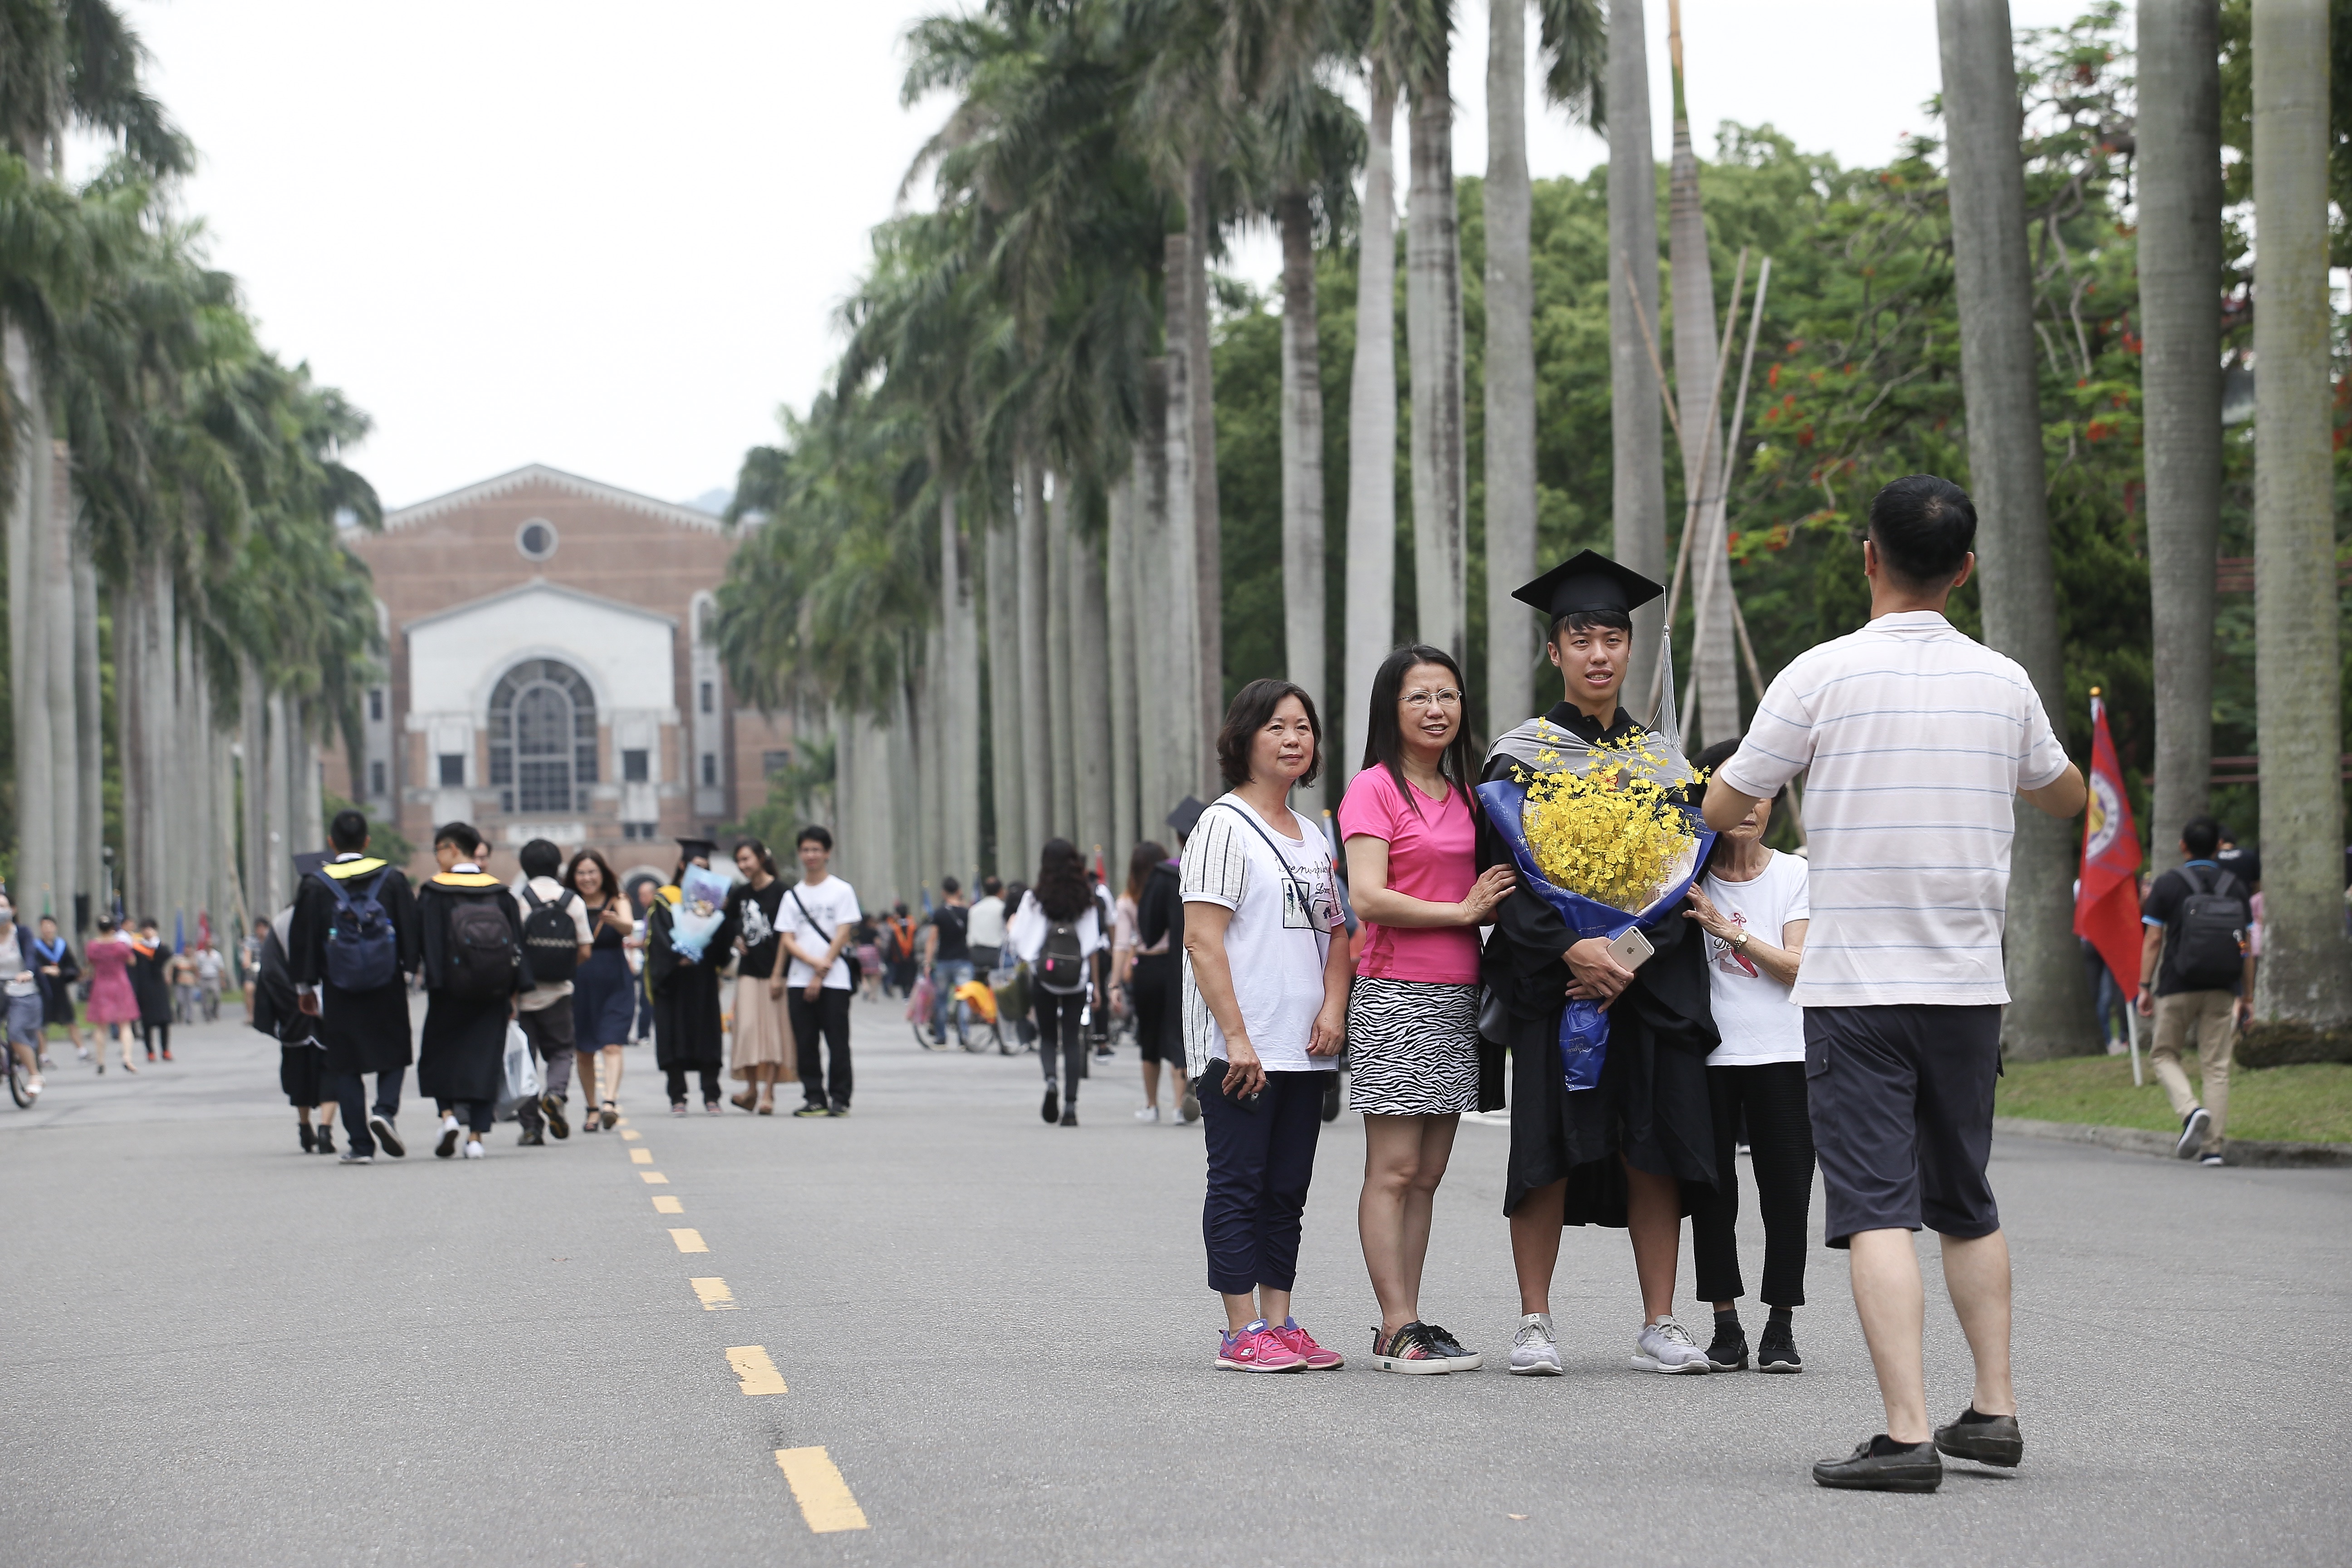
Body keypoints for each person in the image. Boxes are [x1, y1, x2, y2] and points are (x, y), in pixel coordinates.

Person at [1705, 474, 2086, 1493]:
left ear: (1868, 557)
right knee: (1967, 1200)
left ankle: (1908, 1433)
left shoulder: (1820, 675)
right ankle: (1995, 1412)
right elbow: (2067, 795)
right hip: (1966, 987)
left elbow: (1728, 799)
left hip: (1858, 988)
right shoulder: (2004, 682)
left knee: (1877, 1206)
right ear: (1966, 569)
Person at [1477, 550, 1721, 1379]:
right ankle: (1533, 1321)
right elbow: (1503, 881)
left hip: (1642, 985)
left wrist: (1621, 957)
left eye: (1612, 637)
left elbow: (1680, 883)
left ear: (1627, 648)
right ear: (1554, 652)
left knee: (1650, 1149)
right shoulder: (1518, 758)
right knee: (1542, 1151)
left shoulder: (1662, 764)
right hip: (1556, 985)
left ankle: (1658, 1321)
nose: (1597, 653)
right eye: (1579, 637)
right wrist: (1570, 949)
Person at [1340, 644, 1518, 1374]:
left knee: (1430, 1171)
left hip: (1457, 996)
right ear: (1392, 708)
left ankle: (1407, 1319)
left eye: (1447, 696)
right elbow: (1368, 897)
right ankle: (1395, 1320)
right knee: (1394, 1166)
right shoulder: (1374, 789)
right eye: (1419, 697)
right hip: (1394, 992)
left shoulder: (1471, 796)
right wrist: (1462, 910)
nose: (1437, 710)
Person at [1182, 678, 1353, 1373]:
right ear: (1245, 739)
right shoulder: (1222, 825)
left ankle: (1279, 1324)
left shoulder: (1314, 834)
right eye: (1277, 727)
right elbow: (1202, 939)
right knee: (1239, 1182)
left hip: (1303, 1047)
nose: (1293, 739)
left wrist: (1334, 1010)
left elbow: (1339, 933)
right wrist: (1237, 1040)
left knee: (1288, 1188)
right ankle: (1239, 1330)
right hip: (1241, 1048)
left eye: (1303, 728)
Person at [1683, 736, 1814, 1374]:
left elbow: (1800, 968)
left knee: (1786, 1192)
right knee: (1712, 1195)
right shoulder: (1684, 875)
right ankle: (1725, 1324)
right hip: (1707, 1059)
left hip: (1784, 1056)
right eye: (1734, 790)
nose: (1748, 805)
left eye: (1761, 791)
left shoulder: (1795, 874)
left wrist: (1726, 928)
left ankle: (1781, 1326)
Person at [290, 809, 421, 1161]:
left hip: (339, 986)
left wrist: (305, 987)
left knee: (345, 1065)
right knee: (394, 1053)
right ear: (367, 842)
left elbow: (303, 938)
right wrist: (411, 968)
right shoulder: (390, 879)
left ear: (331, 843)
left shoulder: (317, 884)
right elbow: (410, 928)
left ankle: (361, 1145)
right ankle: (385, 1111)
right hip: (387, 981)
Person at [2136, 816, 2254, 1167]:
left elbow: (2154, 939)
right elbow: (2246, 946)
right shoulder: (2236, 885)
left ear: (2182, 846)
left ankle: (2191, 1111)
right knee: (2216, 1066)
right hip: (2221, 986)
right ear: (2219, 845)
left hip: (2177, 985)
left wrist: (2144, 986)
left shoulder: (2168, 884)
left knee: (2163, 1055)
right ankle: (2213, 1149)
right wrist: (2246, 995)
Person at [416, 823, 530, 1157]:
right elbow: (517, 946)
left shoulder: (434, 892)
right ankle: (477, 1138)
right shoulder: (499, 892)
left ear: (452, 849)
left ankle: (449, 1117)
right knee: (486, 1061)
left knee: (441, 1056)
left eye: (438, 851)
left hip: (448, 991)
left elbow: (424, 943)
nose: (437, 859)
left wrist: (427, 977)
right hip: (493, 992)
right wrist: (514, 992)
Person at [1008, 840, 1108, 1127]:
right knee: (1073, 1039)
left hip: (1045, 976)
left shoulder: (1035, 898)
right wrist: (1096, 985)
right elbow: (1092, 945)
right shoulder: (1086, 899)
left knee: (1049, 1036)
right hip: (1076, 979)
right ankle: (1071, 1106)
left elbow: (1020, 940)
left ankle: (1051, 1080)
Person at [510, 838, 593, 1146]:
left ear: (524, 866)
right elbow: (585, 949)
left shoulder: (517, 899)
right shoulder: (572, 900)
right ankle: (556, 1094)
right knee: (561, 1050)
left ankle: (531, 1128)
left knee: (526, 1061)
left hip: (524, 994)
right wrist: (564, 968)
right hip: (559, 992)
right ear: (558, 866)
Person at [777, 825, 858, 1117]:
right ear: (800, 854)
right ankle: (814, 1096)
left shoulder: (841, 891)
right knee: (806, 1041)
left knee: (837, 1041)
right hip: (799, 979)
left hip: (835, 980)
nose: (811, 855)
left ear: (827, 853)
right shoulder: (792, 896)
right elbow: (787, 938)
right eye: (806, 850)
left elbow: (843, 932)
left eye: (816, 850)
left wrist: (822, 971)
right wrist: (813, 964)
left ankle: (840, 1097)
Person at [647, 838, 729, 1115]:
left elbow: (719, 938)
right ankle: (677, 1096)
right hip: (674, 979)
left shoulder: (712, 900)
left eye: (706, 867)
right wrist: (677, 955)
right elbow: (658, 937)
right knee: (674, 1035)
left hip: (702, 976)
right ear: (682, 866)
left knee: (707, 1036)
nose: (701, 872)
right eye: (696, 866)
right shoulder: (666, 897)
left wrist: (710, 939)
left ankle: (711, 1095)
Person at [250, 902, 334, 1154]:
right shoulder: (330, 917)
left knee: (300, 1075)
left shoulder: (280, 927)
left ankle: (305, 1125)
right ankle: (325, 1129)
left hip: (294, 1015)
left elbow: (271, 973)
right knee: (331, 1071)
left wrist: (291, 1004)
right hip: (326, 1014)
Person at [564, 849, 636, 1131]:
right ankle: (592, 1108)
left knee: (612, 1043)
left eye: (592, 872)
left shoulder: (617, 899)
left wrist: (613, 920)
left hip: (615, 980)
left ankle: (609, 1103)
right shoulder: (569, 902)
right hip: (580, 981)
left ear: (603, 873)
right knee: (584, 1050)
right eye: (581, 873)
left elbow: (629, 927)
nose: (587, 878)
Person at [724, 838, 796, 1113]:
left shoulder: (782, 892)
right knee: (747, 1031)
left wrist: (778, 974)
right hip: (748, 972)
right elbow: (728, 922)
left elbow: (787, 935)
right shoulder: (740, 894)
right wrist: (736, 940)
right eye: (739, 861)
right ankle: (751, 1090)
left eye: (747, 859)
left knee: (774, 1033)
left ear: (761, 858)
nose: (744, 866)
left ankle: (769, 1093)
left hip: (775, 972)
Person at [1126, 841, 1190, 1121]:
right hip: (1190, 967)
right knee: (1182, 1033)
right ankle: (1179, 1106)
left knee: (1150, 1035)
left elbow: (1148, 930)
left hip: (1152, 967)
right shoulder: (1208, 868)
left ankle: (1152, 1105)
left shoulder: (1163, 876)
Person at [0, 896, 47, 1101]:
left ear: (13, 909)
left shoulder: (22, 933)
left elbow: (30, 955)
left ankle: (35, 1075)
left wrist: (27, 972)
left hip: (23, 989)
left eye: (2, 906)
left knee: (16, 1031)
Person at [84, 916, 142, 1073]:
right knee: (125, 1024)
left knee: (101, 1026)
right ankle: (127, 1057)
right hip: (120, 984)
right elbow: (132, 961)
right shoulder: (120, 946)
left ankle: (101, 1060)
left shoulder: (93, 946)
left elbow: (90, 962)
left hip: (101, 985)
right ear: (113, 929)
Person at [921, 877, 973, 1047]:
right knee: (964, 999)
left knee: (942, 1000)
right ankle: (964, 1036)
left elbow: (932, 939)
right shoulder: (967, 913)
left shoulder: (939, 913)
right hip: (964, 960)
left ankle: (941, 1037)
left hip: (944, 961)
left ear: (943, 893)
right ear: (959, 891)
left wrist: (928, 963)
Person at [32, 915, 87, 1067]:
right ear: (40, 928)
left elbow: (72, 967)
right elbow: (32, 967)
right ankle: (43, 1056)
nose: (48, 929)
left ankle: (82, 1051)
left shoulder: (62, 946)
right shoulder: (35, 947)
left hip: (60, 990)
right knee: (42, 1025)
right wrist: (44, 970)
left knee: (71, 1021)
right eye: (45, 926)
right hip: (43, 991)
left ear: (55, 928)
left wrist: (60, 971)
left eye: (50, 926)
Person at [129, 918, 173, 1062]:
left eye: (151, 929)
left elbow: (168, 957)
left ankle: (165, 1050)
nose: (148, 932)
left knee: (164, 1021)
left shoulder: (161, 947)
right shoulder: (137, 949)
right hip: (144, 988)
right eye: (145, 929)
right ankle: (150, 1051)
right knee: (147, 1022)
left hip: (159, 987)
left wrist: (155, 944)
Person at [628, 879, 658, 1042]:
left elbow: (652, 939)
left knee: (647, 1000)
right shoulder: (648, 912)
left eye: (643, 895)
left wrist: (637, 944)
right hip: (647, 960)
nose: (641, 899)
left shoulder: (656, 912)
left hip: (654, 962)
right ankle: (643, 1033)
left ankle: (644, 1034)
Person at [967, 876, 1008, 975]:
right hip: (995, 953)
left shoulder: (974, 909)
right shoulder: (1003, 908)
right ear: (1001, 891)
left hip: (976, 953)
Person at [884, 902, 917, 997]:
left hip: (899, 956)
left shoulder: (895, 926)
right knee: (910, 975)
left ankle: (905, 992)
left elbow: (893, 943)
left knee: (902, 975)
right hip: (911, 955)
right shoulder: (913, 924)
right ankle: (908, 991)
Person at [855, 912, 885, 1004]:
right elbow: (878, 943)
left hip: (861, 951)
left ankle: (866, 987)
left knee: (862, 972)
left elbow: (856, 943)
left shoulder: (858, 930)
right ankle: (873, 995)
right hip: (872, 952)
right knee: (874, 974)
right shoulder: (873, 931)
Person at [193, 939, 225, 1023]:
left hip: (214, 977)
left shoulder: (217, 955)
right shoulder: (200, 955)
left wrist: (222, 980)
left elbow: (221, 968)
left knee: (216, 996)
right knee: (204, 998)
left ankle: (214, 1011)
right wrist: (197, 977)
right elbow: (197, 967)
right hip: (204, 977)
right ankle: (207, 1015)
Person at [169, 943, 200, 1024]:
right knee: (180, 1000)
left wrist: (190, 962)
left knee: (190, 1001)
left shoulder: (194, 959)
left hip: (190, 982)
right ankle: (179, 1015)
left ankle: (189, 1018)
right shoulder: (179, 958)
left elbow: (196, 969)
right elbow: (174, 968)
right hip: (180, 982)